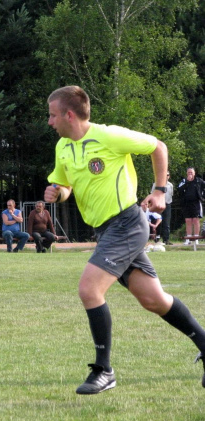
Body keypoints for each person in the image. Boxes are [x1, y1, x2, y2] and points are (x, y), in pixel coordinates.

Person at [45, 85, 205, 394]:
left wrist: (160, 189)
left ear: (69, 114)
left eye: (52, 115)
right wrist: (58, 192)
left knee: (89, 289)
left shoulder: (108, 135)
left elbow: (157, 146)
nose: (50, 122)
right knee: (154, 300)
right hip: (107, 231)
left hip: (127, 224)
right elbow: (65, 184)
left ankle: (104, 369)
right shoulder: (63, 147)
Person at [177, 167, 204, 245]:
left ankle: (196, 238)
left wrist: (202, 196)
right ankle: (188, 238)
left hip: (196, 203)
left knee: (196, 220)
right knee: (188, 220)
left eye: (191, 173)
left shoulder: (199, 181)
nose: (190, 174)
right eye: (188, 172)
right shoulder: (184, 181)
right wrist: (187, 182)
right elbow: (179, 189)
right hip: (186, 203)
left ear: (194, 173)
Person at [150, 171, 173, 245]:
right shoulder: (155, 184)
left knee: (166, 222)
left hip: (167, 204)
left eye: (168, 175)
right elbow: (152, 194)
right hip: (158, 205)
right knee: (157, 222)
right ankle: (157, 238)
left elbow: (171, 195)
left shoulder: (170, 185)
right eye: (165, 175)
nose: (166, 176)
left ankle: (166, 239)